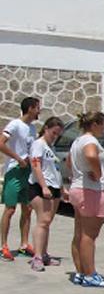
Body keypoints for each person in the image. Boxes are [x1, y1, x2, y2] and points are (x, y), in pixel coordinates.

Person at [69, 111, 104, 287]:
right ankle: (89, 274)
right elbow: (91, 155)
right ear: (94, 124)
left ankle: (80, 271)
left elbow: (68, 164)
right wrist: (98, 172)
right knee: (89, 236)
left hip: (78, 187)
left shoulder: (77, 141)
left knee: (79, 233)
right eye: (103, 124)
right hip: (91, 190)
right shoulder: (89, 141)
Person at [0, 96, 40, 261]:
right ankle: (3, 246)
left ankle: (24, 244)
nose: (39, 111)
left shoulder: (32, 128)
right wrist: (17, 158)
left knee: (27, 208)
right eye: (37, 107)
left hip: (28, 172)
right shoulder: (15, 124)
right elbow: (1, 143)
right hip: (14, 171)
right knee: (10, 209)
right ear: (30, 108)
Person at [27, 116, 65, 272]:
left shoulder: (51, 147)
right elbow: (36, 165)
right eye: (54, 133)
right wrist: (43, 186)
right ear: (46, 129)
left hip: (54, 187)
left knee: (47, 222)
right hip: (40, 186)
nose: (55, 136)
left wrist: (62, 189)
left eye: (58, 134)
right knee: (43, 221)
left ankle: (43, 253)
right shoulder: (39, 144)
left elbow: (55, 169)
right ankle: (37, 256)